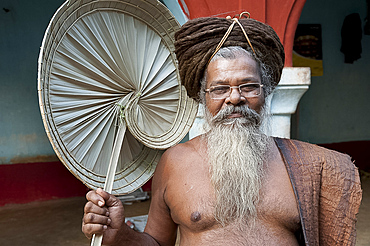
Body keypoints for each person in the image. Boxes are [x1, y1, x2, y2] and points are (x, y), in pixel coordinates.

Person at [82, 15, 362, 245]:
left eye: (249, 86)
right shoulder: (174, 163)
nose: (235, 98)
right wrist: (118, 234)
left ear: (265, 94)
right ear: (203, 97)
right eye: (220, 89)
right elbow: (156, 243)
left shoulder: (306, 168)